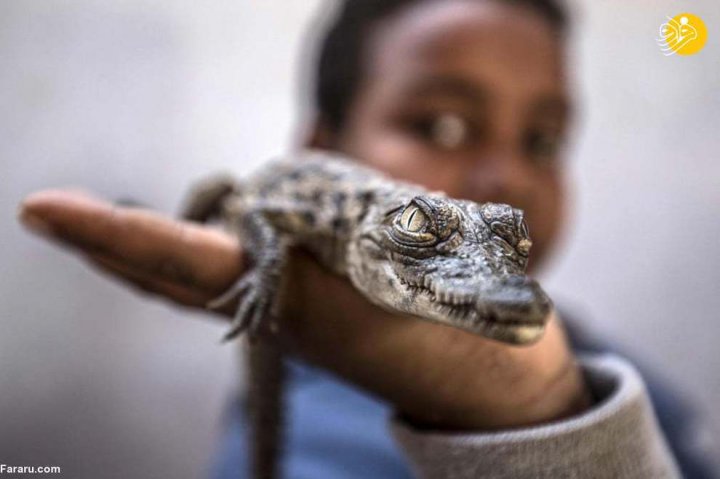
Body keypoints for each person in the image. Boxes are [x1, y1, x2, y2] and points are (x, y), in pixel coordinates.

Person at [18, 0, 716, 477]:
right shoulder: (319, 443)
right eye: (439, 125)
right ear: (326, 144)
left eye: (544, 139)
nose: (501, 178)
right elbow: (251, 206)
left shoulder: (630, 374)